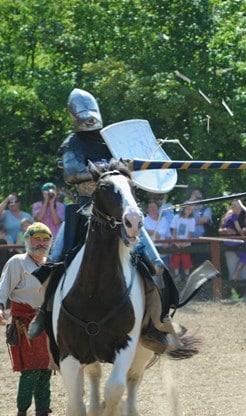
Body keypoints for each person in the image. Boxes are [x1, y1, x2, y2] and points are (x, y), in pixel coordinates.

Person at [28, 88, 182, 353]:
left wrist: (130, 166)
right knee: (55, 261)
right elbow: (71, 172)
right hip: (85, 208)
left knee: (156, 264)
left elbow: (132, 173)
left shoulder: (113, 141)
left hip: (121, 210)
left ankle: (158, 321)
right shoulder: (73, 143)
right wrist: (104, 170)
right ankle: (44, 313)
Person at [0, 222, 54, 416]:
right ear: (28, 240)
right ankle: (22, 411)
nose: (40, 242)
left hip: (46, 322)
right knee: (30, 370)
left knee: (47, 369)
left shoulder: (51, 263)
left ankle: (42, 411)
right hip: (24, 323)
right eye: (36, 238)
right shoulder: (17, 261)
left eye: (44, 239)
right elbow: (2, 288)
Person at [219, 199, 246, 285]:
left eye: (239, 208)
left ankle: (236, 274)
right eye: (236, 208)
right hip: (232, 241)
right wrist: (244, 237)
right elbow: (239, 230)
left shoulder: (243, 214)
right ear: (232, 208)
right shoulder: (233, 216)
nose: (238, 210)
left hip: (235, 242)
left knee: (244, 256)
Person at [187, 187, 213, 266]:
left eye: (198, 194)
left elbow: (204, 220)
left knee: (203, 264)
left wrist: (189, 222)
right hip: (189, 241)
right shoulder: (187, 209)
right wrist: (191, 201)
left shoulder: (206, 209)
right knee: (189, 265)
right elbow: (182, 218)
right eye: (194, 194)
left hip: (202, 242)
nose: (196, 196)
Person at [170, 204, 195, 280]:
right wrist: (175, 241)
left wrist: (185, 243)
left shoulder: (192, 220)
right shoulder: (176, 217)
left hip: (186, 243)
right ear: (183, 209)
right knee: (176, 259)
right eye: (187, 209)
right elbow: (174, 230)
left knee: (186, 259)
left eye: (190, 209)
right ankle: (176, 276)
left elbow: (190, 233)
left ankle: (187, 276)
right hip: (176, 242)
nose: (188, 211)